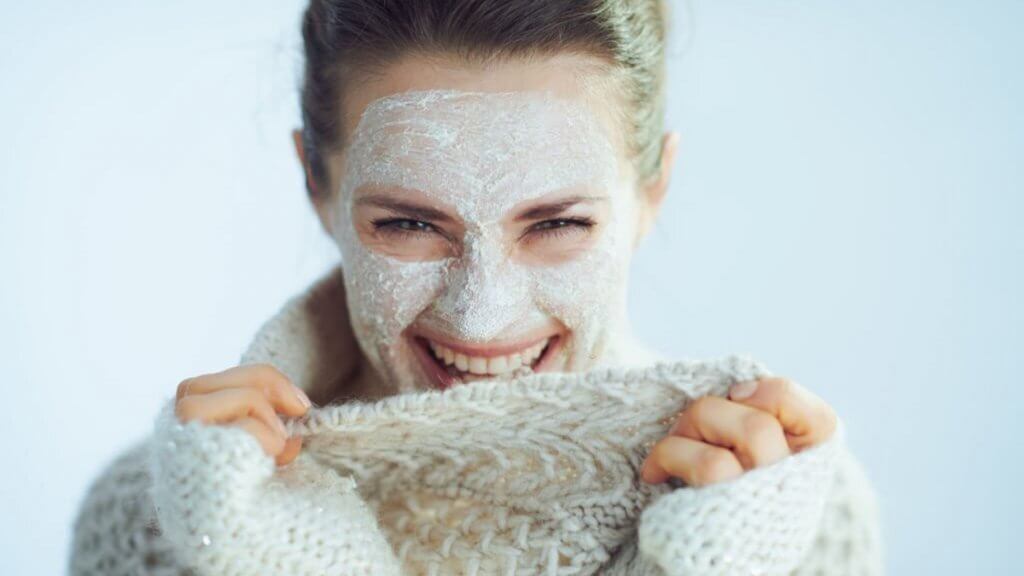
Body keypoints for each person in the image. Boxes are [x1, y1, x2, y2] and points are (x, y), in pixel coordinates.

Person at [69, 1, 884, 574]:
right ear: (316, 183)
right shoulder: (156, 518)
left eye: (557, 225)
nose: (481, 313)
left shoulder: (780, 511)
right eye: (409, 225)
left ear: (653, 193)